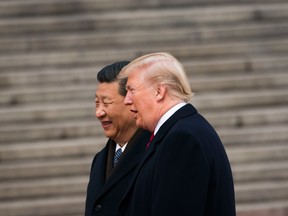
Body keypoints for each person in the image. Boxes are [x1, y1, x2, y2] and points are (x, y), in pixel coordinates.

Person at [118, 52, 236, 216]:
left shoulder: (182, 139)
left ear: (159, 91)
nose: (127, 100)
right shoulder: (182, 130)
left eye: (131, 90)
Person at [84, 61, 151, 216]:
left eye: (106, 103)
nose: (99, 113)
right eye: (96, 103)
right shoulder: (100, 159)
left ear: (131, 101)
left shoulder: (155, 152)